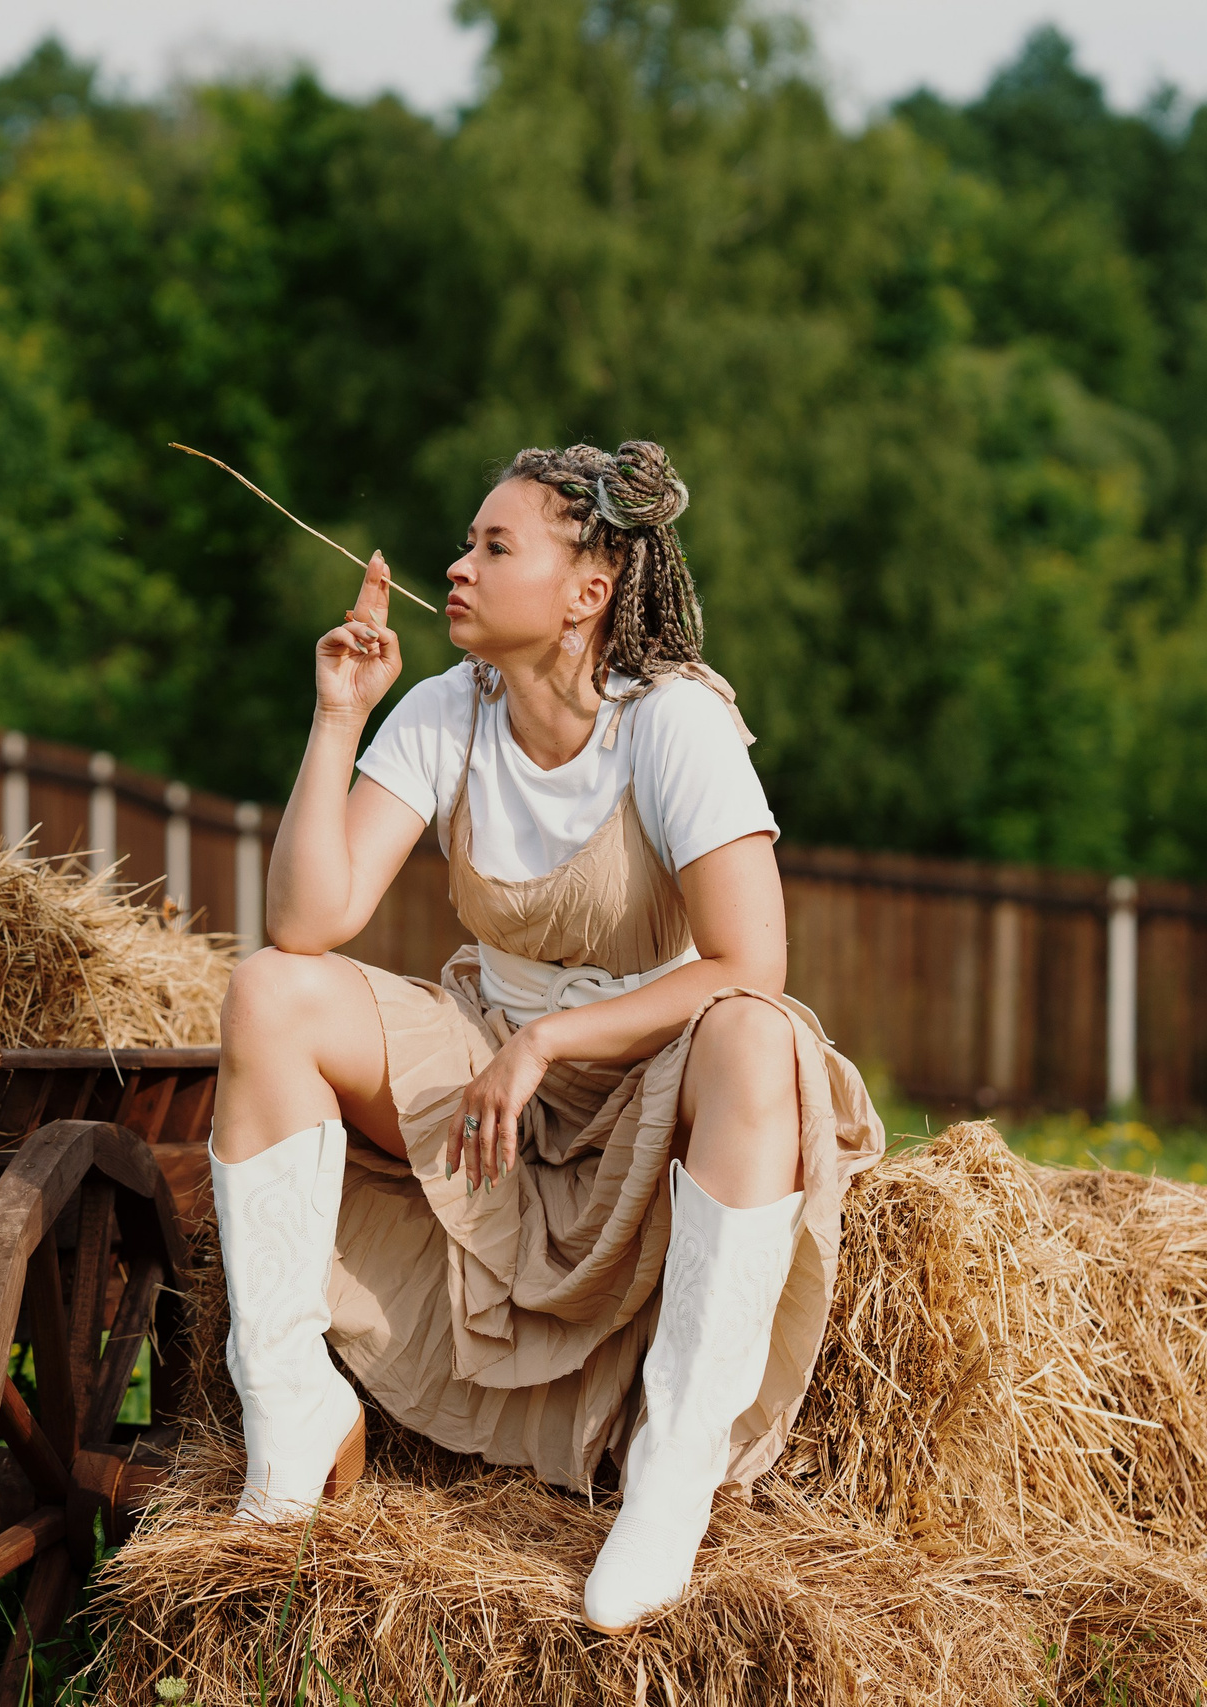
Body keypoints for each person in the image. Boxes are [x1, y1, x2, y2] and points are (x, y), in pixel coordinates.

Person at [205, 439, 885, 1633]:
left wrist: (552, 1047)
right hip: (483, 1052)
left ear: (587, 590)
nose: (454, 567)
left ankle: (672, 1472)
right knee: (268, 990)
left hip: (648, 1071)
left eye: (491, 546)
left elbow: (748, 963)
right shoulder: (440, 711)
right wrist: (335, 715)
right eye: (465, 546)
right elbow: (310, 920)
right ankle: (288, 1402)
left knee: (757, 1035)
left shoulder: (672, 723)